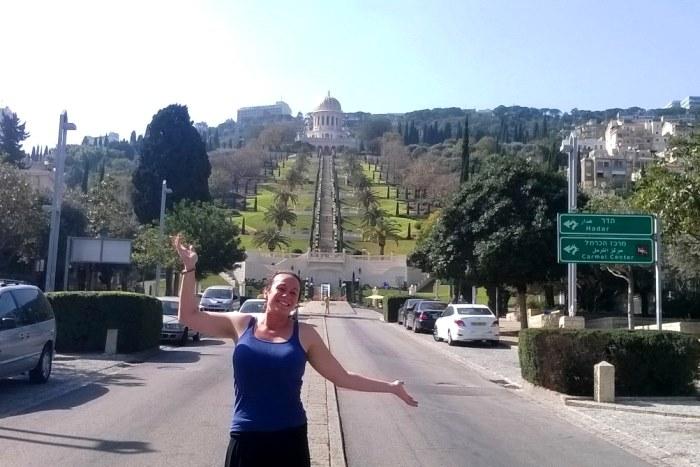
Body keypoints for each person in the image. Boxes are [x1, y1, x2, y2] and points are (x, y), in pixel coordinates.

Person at [172, 234, 417, 467]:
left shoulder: (305, 334)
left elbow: (342, 377)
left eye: (294, 293)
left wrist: (390, 387)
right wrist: (189, 267)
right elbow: (189, 316)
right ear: (267, 291)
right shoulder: (241, 323)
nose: (287, 296)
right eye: (281, 289)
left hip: (289, 438)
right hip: (246, 435)